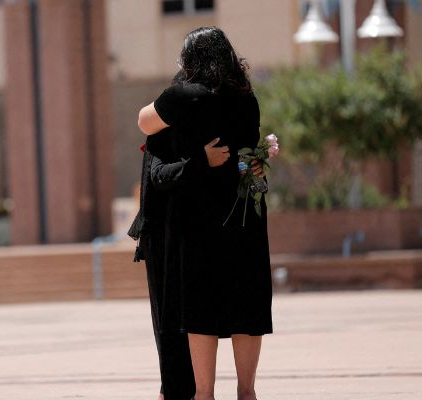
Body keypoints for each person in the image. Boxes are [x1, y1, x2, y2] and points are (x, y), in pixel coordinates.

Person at [136, 27, 273, 400]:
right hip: (244, 213)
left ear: (192, 60)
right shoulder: (247, 98)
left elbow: (145, 122)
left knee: (201, 308)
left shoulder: (184, 95)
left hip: (198, 219)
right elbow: (248, 154)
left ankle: (205, 394)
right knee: (246, 304)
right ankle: (247, 391)